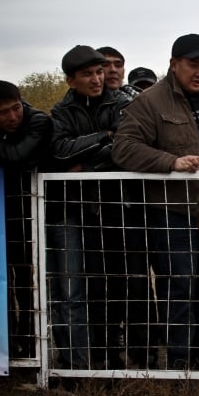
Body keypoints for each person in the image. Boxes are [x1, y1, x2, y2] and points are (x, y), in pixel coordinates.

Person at [112, 33, 199, 370]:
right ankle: (178, 362)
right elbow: (124, 147)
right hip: (171, 212)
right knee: (180, 285)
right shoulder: (150, 101)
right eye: (193, 64)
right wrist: (170, 163)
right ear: (174, 64)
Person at [47, 45, 135, 370]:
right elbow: (58, 151)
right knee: (79, 287)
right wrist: (103, 137)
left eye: (99, 72)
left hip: (115, 205)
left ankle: (113, 354)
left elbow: (125, 147)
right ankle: (88, 359)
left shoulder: (121, 102)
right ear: (71, 80)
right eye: (88, 74)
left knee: (115, 282)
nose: (97, 79)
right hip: (76, 208)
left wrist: (86, 165)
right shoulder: (61, 112)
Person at [0, 80, 53, 358]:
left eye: (16, 108)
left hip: (29, 214)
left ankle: (31, 346)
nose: (12, 117)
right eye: (3, 113)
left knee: (28, 282)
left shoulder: (38, 122)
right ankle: (4, 346)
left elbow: (18, 157)